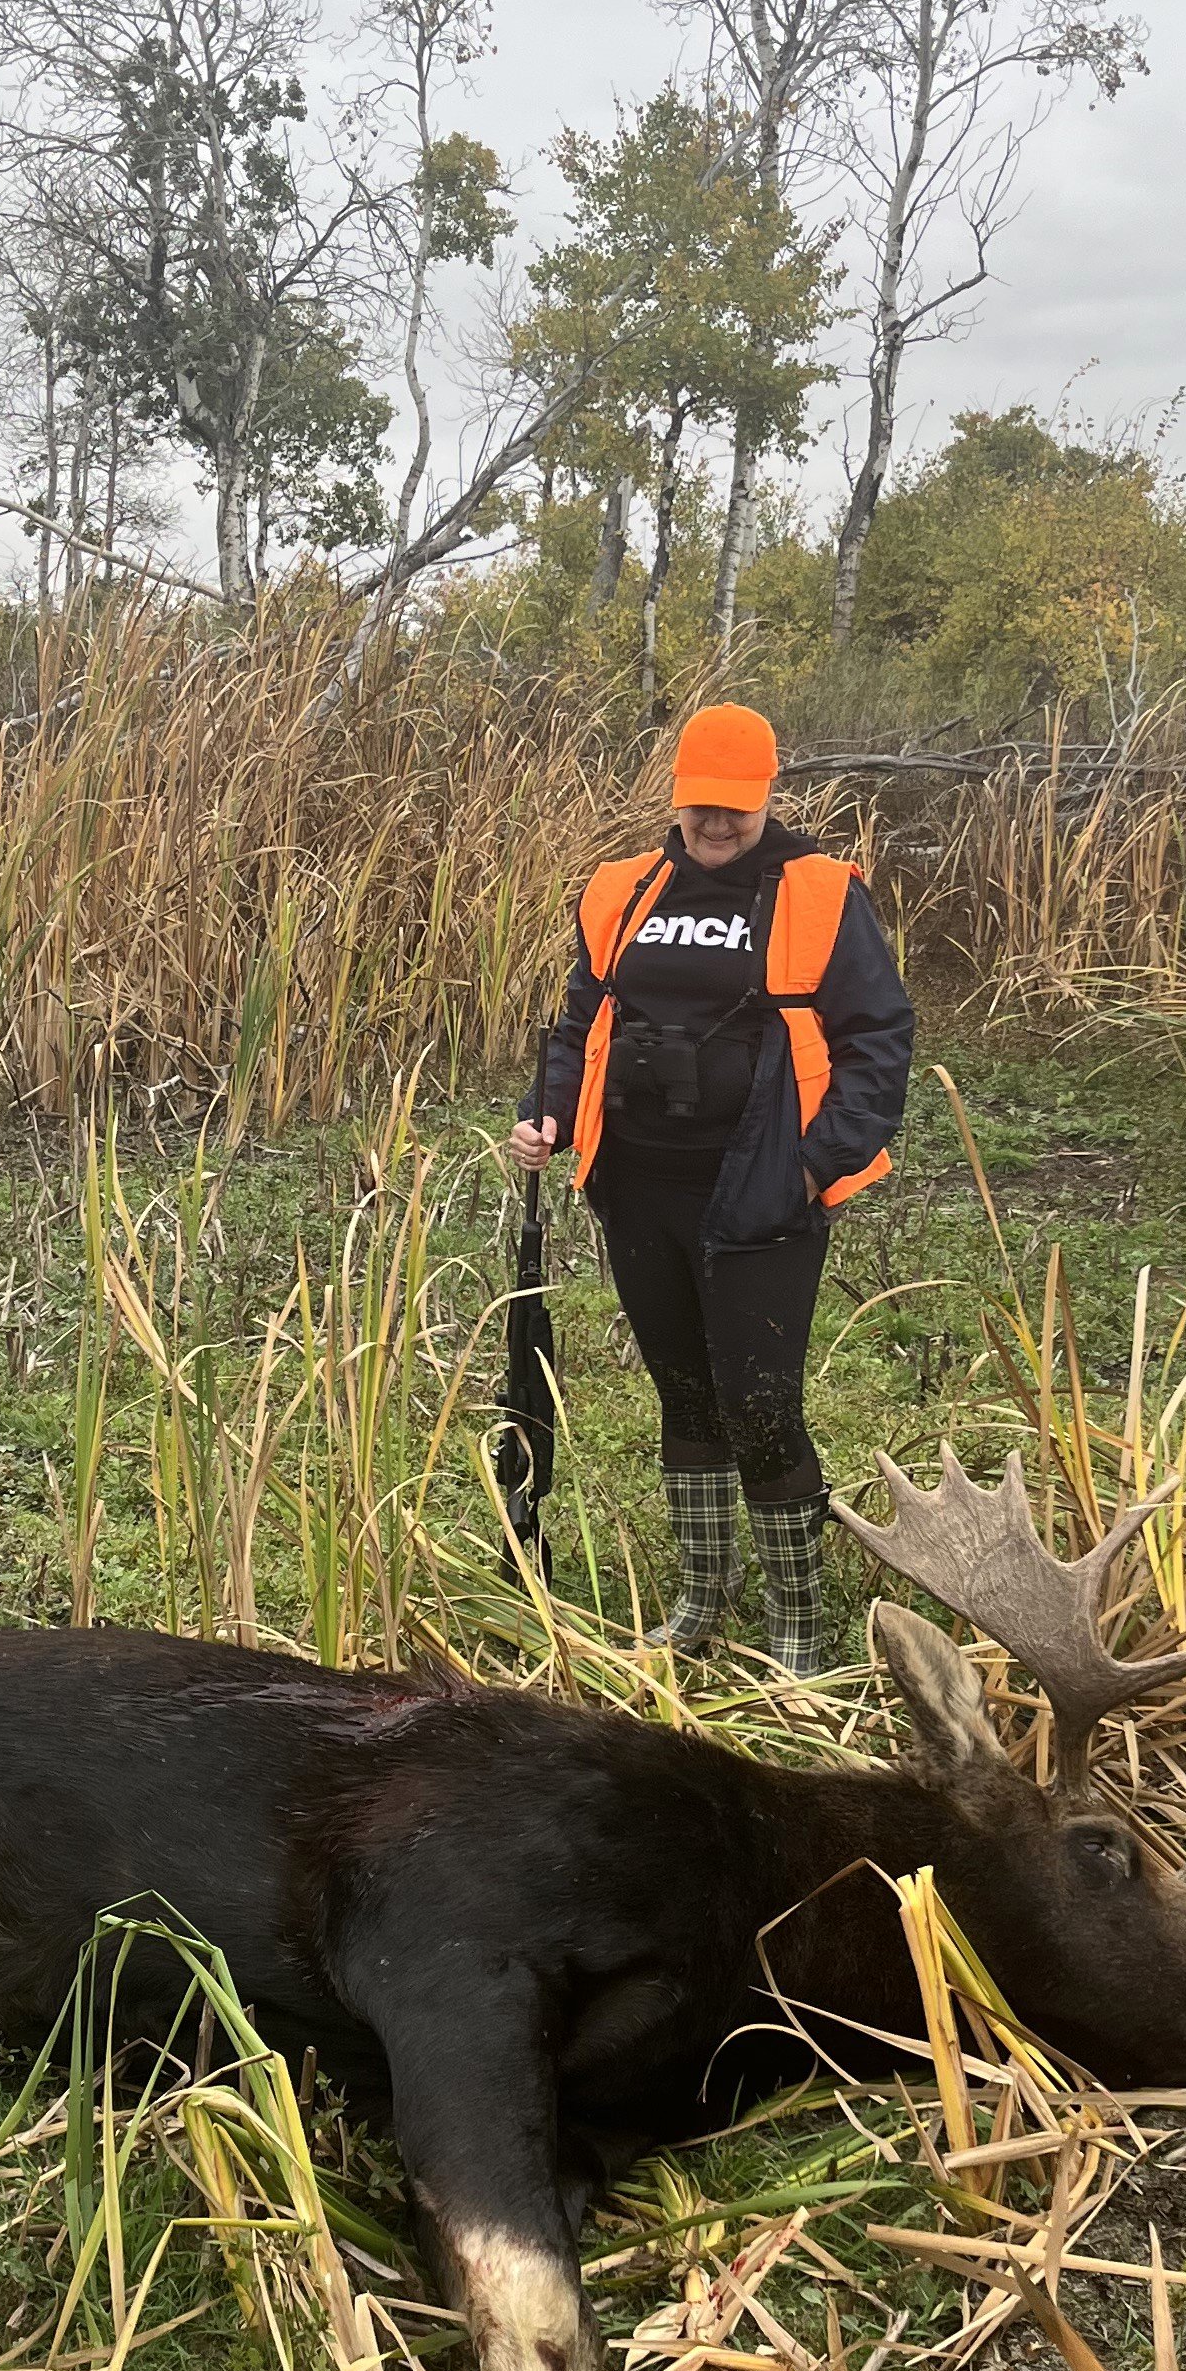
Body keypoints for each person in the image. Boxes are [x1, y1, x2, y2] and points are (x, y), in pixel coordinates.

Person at [510, 703, 913, 1676]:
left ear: (766, 795)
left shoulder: (818, 894)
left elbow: (879, 1039)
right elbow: (579, 1022)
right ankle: (701, 1597)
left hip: (761, 1196)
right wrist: (549, 1114)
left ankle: (800, 1629)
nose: (718, 826)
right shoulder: (626, 890)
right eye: (703, 808)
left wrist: (813, 1167)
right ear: (679, 796)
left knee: (761, 1405)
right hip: (637, 1186)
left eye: (736, 808)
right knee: (684, 1394)